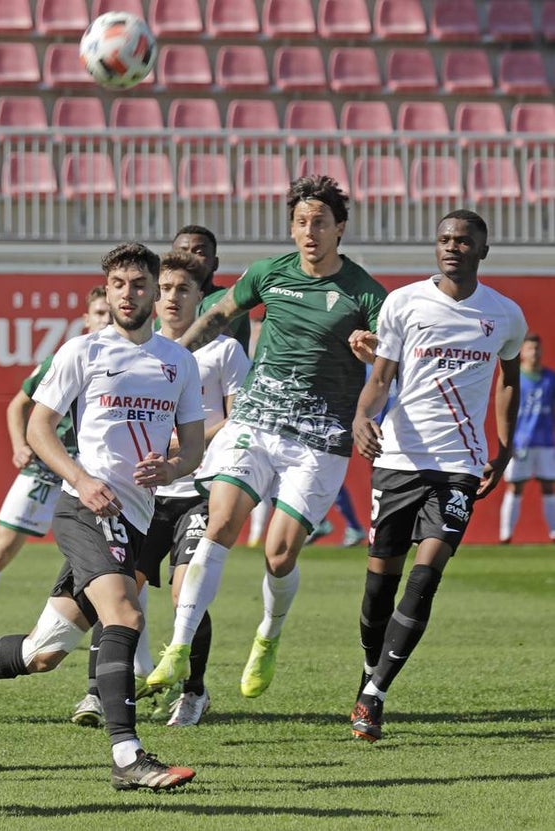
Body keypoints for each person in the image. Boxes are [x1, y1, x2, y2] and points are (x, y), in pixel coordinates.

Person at [0, 242, 206, 792]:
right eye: (117, 285)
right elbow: (39, 428)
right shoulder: (81, 351)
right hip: (84, 509)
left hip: (135, 519)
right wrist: (82, 480)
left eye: (138, 284)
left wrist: (173, 464)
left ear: (156, 290)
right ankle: (128, 756)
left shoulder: (178, 363)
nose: (127, 294)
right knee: (126, 617)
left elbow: (195, 448)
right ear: (106, 291)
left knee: (41, 653)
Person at [159, 175, 388, 700]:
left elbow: (387, 362)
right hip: (256, 423)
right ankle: (178, 645)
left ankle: (268, 634)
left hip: (319, 435)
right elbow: (217, 315)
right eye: (302, 222)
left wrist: (371, 351)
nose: (310, 232)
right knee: (220, 522)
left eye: (321, 223)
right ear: (292, 228)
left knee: (280, 555)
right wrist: (169, 357)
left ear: (340, 229)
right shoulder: (268, 274)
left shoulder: (366, 292)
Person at [349, 210, 525, 742]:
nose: (453, 247)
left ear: (482, 250)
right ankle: (369, 672)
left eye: (464, 241)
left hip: (459, 467)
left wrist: (505, 446)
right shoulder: (403, 303)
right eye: (446, 239)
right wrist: (363, 415)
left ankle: (374, 695)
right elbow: (382, 375)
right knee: (380, 587)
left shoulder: (504, 315)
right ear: (436, 247)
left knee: (426, 577)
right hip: (399, 459)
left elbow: (509, 381)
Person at [0, 287, 110, 633]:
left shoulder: (128, 362)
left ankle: (132, 660)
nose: (106, 320)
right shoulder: (64, 358)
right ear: (86, 319)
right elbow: (18, 404)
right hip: (47, 470)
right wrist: (19, 444)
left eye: (111, 314)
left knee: (112, 563)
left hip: (94, 472)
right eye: (99, 313)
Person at [139, 251, 251, 727]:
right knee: (118, 589)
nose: (171, 298)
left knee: (187, 589)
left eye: (183, 289)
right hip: (144, 491)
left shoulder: (224, 351)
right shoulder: (139, 349)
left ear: (202, 298)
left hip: (200, 486)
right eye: (163, 289)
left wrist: (185, 444)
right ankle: (101, 691)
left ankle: (194, 690)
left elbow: (238, 415)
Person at [498, 333, 555, 542]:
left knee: (549, 485)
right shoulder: (516, 378)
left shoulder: (551, 378)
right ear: (522, 351)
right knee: (515, 485)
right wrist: (507, 440)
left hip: (546, 443)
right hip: (520, 442)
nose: (535, 353)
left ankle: (553, 532)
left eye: (538, 348)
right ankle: (506, 535)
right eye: (530, 348)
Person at [171, 224, 251, 354]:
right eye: (181, 252)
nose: (189, 258)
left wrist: (172, 358)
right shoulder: (167, 306)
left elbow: (211, 339)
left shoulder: (228, 299)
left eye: (199, 253)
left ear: (215, 263)